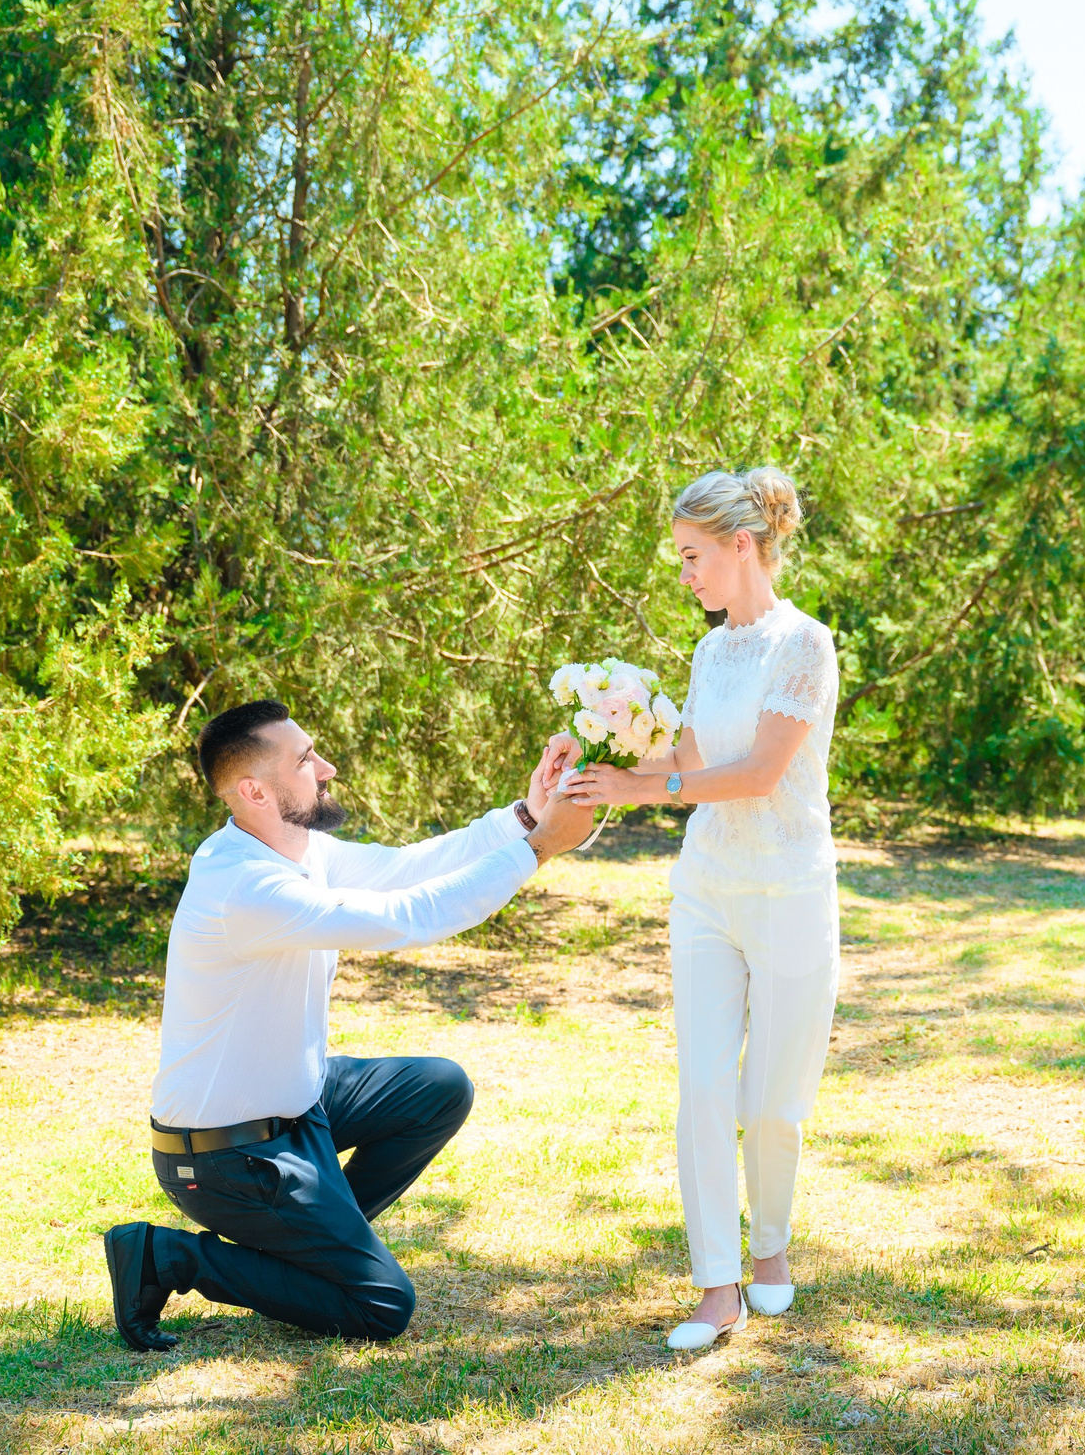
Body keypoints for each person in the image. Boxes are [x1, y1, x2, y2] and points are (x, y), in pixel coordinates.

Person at [103, 700, 592, 1351]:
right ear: (255, 790)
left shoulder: (298, 849)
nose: (326, 767)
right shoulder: (245, 885)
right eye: (305, 760)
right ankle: (164, 1256)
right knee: (381, 1303)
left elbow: (408, 868)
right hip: (227, 1155)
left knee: (439, 1087)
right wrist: (537, 850)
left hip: (297, 1103)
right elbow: (405, 916)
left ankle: (304, 1258)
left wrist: (525, 816)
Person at [561, 466, 839, 1351]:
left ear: (741, 546)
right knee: (704, 1087)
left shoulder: (806, 645)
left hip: (792, 890)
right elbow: (680, 772)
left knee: (774, 1100)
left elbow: (755, 775)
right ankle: (717, 1287)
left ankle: (772, 1253)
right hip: (708, 892)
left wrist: (660, 785)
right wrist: (605, 772)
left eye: (692, 557)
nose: (684, 575)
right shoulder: (711, 650)